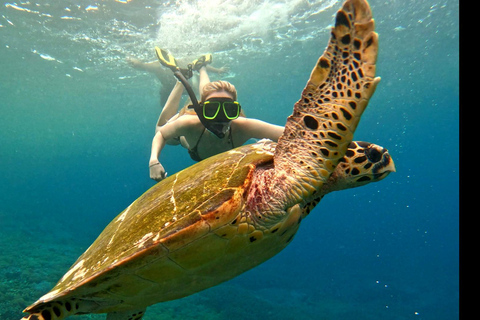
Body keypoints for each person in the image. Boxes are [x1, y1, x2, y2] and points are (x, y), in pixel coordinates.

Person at [148, 53, 285, 181]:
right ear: (202, 109)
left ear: (235, 111)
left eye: (228, 110)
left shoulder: (243, 126)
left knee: (209, 93)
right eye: (212, 109)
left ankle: (201, 67)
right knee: (159, 128)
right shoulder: (189, 122)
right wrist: (153, 162)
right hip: (185, 126)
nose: (220, 117)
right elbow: (161, 135)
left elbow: (291, 133)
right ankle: (181, 80)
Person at [127, 55, 228, 107]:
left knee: (200, 96)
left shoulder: (182, 62)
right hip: (168, 89)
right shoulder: (158, 65)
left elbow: (199, 65)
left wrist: (217, 70)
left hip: (186, 87)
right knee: (163, 104)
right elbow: (143, 66)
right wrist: (134, 62)